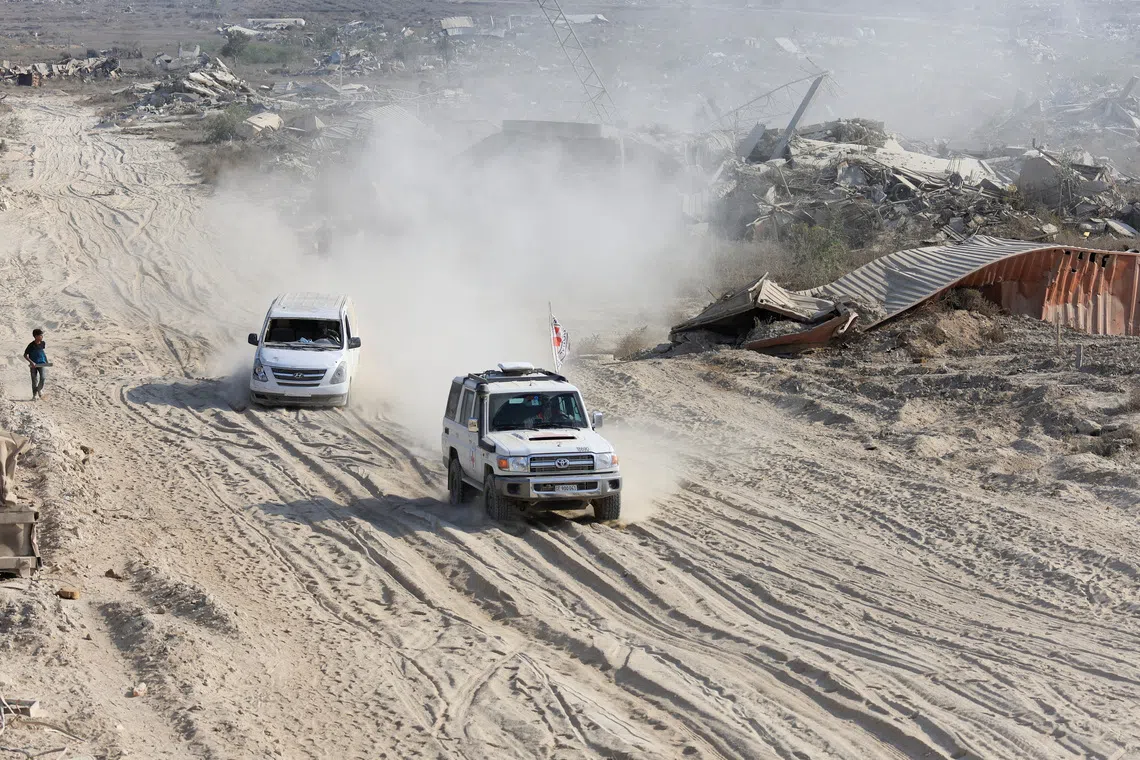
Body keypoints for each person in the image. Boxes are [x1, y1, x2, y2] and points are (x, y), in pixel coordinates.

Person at [23, 329, 49, 401]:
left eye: (42, 335)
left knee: (43, 378)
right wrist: (31, 362)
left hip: (42, 363)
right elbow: (25, 355)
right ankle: (34, 396)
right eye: (40, 335)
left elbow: (42, 352)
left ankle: (39, 389)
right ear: (36, 336)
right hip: (33, 365)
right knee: (34, 380)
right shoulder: (31, 345)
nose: (42, 336)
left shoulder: (43, 343)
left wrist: (46, 360)